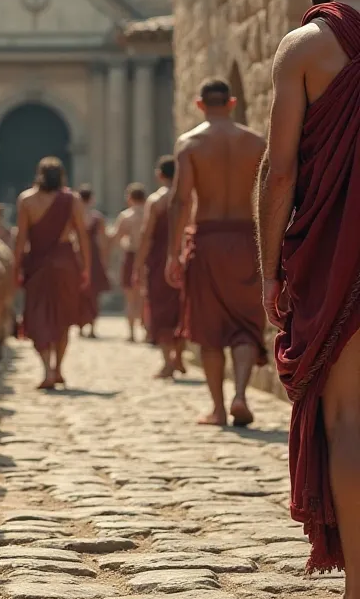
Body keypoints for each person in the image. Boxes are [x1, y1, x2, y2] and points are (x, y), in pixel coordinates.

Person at [257, 0, 360, 599]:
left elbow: (281, 172)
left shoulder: (307, 47)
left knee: (350, 419)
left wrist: (269, 269)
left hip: (342, 253)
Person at [167, 77, 266, 427]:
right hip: (245, 240)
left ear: (199, 105)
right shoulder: (255, 142)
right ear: (232, 103)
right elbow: (272, 193)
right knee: (244, 323)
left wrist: (173, 252)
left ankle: (219, 408)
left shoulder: (190, 143)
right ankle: (240, 393)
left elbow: (181, 201)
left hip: (207, 240)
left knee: (209, 329)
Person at [13, 157, 91, 389]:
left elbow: (21, 239)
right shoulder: (73, 200)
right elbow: (82, 236)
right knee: (63, 320)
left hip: (37, 265)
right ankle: (58, 369)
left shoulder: (26, 200)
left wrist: (16, 267)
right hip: (66, 265)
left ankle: (47, 369)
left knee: (38, 318)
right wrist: (86, 266)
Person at [132, 157, 184, 378]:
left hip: (159, 261)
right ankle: (179, 357)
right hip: (182, 259)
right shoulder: (186, 197)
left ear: (160, 175)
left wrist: (138, 264)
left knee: (161, 309)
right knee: (181, 308)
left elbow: (146, 235)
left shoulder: (155, 201)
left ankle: (168, 362)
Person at [108, 184, 147, 341]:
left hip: (131, 255)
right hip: (147, 257)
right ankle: (147, 330)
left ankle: (131, 333)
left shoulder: (126, 216)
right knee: (145, 296)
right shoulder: (149, 214)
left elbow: (116, 238)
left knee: (130, 297)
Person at [77, 184, 110, 338]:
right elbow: (103, 241)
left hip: (79, 256)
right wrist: (104, 260)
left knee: (79, 293)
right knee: (93, 294)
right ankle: (91, 328)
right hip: (94, 255)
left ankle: (81, 327)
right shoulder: (97, 217)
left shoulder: (74, 215)